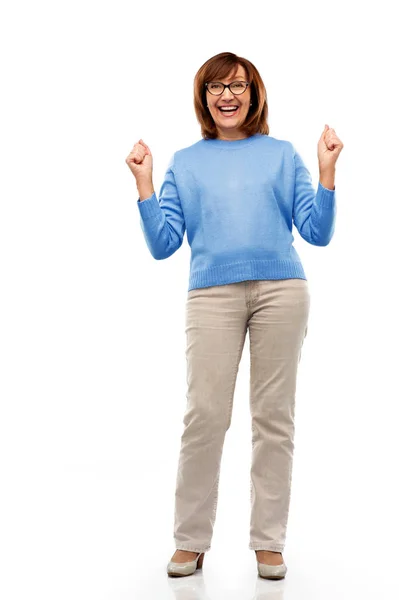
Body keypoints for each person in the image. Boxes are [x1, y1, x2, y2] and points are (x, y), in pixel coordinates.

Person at [125, 51, 344, 580]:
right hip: (211, 296)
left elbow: (316, 232)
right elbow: (162, 245)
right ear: (203, 98)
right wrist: (145, 184)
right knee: (205, 416)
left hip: (281, 291)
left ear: (254, 94)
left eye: (238, 85)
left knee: (274, 419)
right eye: (217, 87)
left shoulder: (281, 154)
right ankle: (190, 540)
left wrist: (327, 171)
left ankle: (268, 541)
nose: (228, 95)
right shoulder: (186, 161)